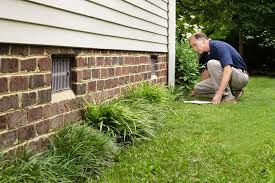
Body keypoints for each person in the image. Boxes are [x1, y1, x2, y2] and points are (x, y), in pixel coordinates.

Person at [188, 32, 249, 104]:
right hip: (231, 79)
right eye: (192, 47)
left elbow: (228, 70)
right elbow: (206, 72)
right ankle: (235, 93)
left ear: (203, 41)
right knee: (198, 88)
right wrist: (195, 91)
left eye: (195, 45)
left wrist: (219, 93)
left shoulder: (219, 46)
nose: (195, 49)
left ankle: (228, 97)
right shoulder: (208, 53)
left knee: (212, 63)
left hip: (240, 77)